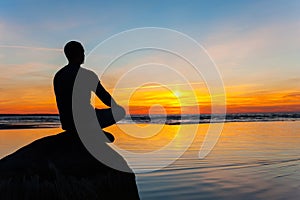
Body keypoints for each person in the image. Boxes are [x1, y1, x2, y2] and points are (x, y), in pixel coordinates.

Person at [53, 41, 125, 142]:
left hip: (68, 123)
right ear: (78, 54)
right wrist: (116, 107)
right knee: (120, 111)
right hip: (87, 120)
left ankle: (87, 131)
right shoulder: (87, 75)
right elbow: (104, 97)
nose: (84, 55)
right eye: (82, 52)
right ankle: (92, 130)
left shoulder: (58, 75)